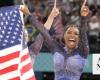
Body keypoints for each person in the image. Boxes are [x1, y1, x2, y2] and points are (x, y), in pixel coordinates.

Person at [20, 1, 89, 80]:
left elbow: (83, 34)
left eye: (76, 33)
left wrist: (83, 18)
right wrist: (29, 14)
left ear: (79, 38)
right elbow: (43, 31)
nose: (72, 35)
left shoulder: (82, 51)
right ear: (64, 36)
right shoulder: (56, 47)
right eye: (69, 32)